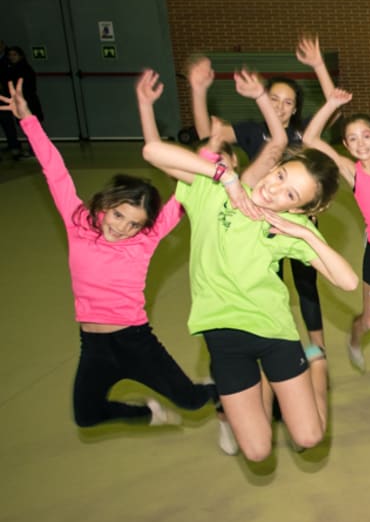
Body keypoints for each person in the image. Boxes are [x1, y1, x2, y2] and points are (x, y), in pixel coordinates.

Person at [142, 69, 358, 462]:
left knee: (309, 438)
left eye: (289, 194)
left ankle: (318, 368)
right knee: (257, 453)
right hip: (223, 336)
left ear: (301, 208)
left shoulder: (290, 225)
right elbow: (152, 152)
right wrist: (223, 176)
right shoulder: (215, 191)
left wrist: (307, 235)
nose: (274, 188)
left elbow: (346, 281)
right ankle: (263, 388)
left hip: (274, 332)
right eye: (279, 176)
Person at [0, 76, 215, 429]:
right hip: (94, 346)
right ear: (107, 205)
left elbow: (188, 192)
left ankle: (232, 392)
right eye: (118, 215)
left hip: (135, 341)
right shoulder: (79, 224)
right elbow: (55, 171)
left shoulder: (146, 240)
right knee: (87, 415)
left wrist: (209, 153)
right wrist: (27, 120)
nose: (121, 227)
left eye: (133, 223)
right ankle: (148, 413)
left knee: (192, 400)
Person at [188, 38, 337, 351]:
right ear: (264, 99)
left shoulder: (303, 132)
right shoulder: (252, 131)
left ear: (296, 108)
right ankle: (277, 340)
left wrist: (319, 66)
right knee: (271, 280)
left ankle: (317, 348)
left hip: (295, 219)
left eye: (287, 102)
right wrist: (198, 91)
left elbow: (333, 104)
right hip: (258, 220)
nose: (281, 107)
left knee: (306, 283)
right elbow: (208, 138)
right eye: (274, 99)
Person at [301, 89, 370, 376]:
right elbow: (310, 139)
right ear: (346, 146)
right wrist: (331, 104)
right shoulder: (351, 171)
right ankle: (355, 336)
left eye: (366, 135)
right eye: (352, 138)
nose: (360, 143)